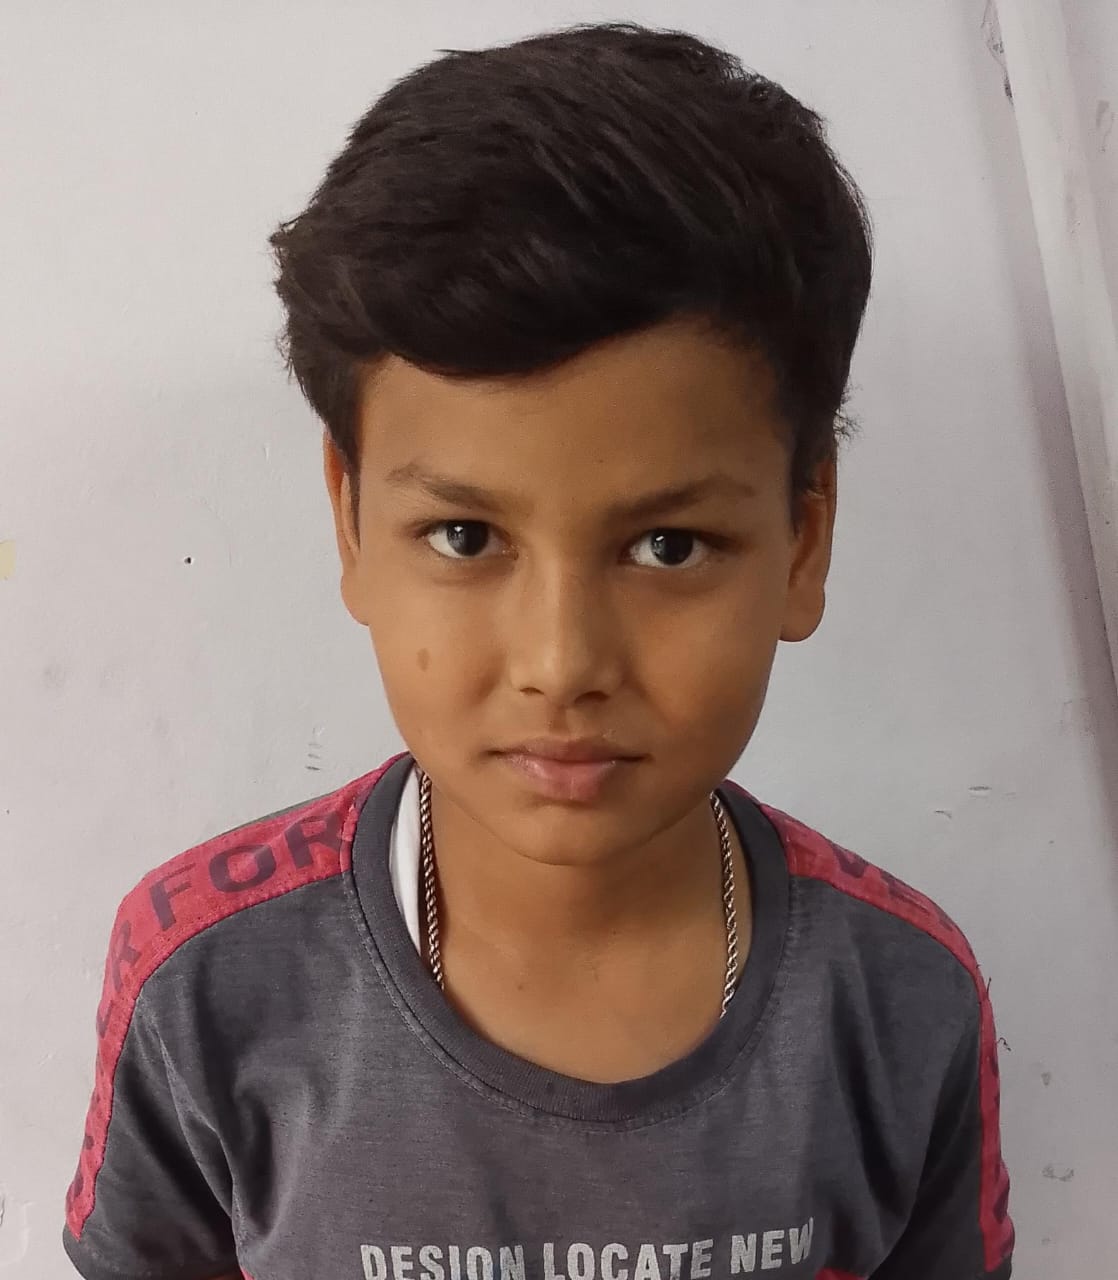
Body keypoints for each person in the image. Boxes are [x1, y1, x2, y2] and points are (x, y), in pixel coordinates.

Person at [63, 21, 1014, 1280]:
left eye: (667, 545)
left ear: (801, 539)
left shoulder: (900, 998)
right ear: (351, 521)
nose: (561, 662)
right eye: (465, 535)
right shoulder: (203, 981)